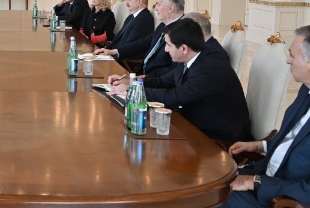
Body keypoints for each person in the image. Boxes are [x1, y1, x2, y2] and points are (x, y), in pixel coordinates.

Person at [224, 25, 310, 208]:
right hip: (265, 175)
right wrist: (260, 145)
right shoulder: (309, 88)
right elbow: (296, 140)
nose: (287, 60)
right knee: (203, 182)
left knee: (202, 199)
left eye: (292, 55)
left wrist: (255, 182)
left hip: (282, 199)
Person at [108, 18, 252, 143]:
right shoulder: (191, 58)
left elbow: (174, 97)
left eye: (168, 45)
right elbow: (162, 81)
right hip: (193, 123)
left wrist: (132, 91)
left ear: (184, 48)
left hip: (219, 136)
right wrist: (132, 83)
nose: (165, 50)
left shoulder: (210, 68)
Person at [96, 0, 184, 77]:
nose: (156, 8)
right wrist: (114, 51)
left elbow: (174, 70)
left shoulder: (183, 30)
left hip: (154, 79)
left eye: (158, 4)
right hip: (143, 73)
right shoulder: (163, 25)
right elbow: (144, 42)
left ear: (170, 8)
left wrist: (145, 79)